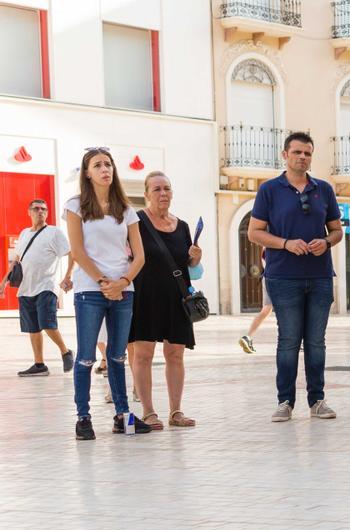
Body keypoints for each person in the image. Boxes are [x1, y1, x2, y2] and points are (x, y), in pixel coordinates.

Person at [247, 132, 344, 422]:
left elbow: (338, 231)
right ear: (285, 155)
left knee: (316, 341)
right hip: (283, 276)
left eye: (308, 153)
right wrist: (286, 243)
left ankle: (317, 401)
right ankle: (285, 401)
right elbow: (254, 232)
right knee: (288, 340)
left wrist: (325, 242)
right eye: (298, 152)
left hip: (320, 276)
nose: (303, 157)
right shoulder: (269, 190)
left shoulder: (323, 189)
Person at [63, 147, 151, 439]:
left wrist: (122, 282)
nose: (105, 169)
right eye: (98, 165)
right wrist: (104, 282)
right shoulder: (75, 205)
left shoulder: (126, 210)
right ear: (87, 172)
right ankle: (83, 418)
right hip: (91, 290)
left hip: (124, 291)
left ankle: (123, 417)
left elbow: (139, 256)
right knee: (86, 357)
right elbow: (77, 251)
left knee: (117, 356)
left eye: (109, 164)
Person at [128, 171, 202, 430]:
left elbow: (190, 268)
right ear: (147, 194)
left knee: (175, 354)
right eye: (157, 189)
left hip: (176, 298)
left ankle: (176, 411)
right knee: (143, 354)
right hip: (145, 296)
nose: (163, 194)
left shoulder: (181, 226)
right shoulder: (135, 222)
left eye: (167, 189)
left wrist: (195, 257)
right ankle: (148, 412)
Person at [2, 198, 74, 376]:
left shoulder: (54, 232)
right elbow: (16, 260)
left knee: (47, 323)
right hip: (26, 287)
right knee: (32, 328)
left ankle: (65, 352)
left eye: (43, 209)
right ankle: (39, 365)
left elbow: (71, 254)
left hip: (46, 286)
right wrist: (4, 281)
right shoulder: (24, 233)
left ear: (47, 213)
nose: (40, 211)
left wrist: (67, 276)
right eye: (36, 209)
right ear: (29, 212)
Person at [239, 251, 272, 354]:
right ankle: (298, 340)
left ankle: (248, 336)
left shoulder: (265, 246)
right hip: (277, 278)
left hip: (268, 277)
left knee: (267, 309)